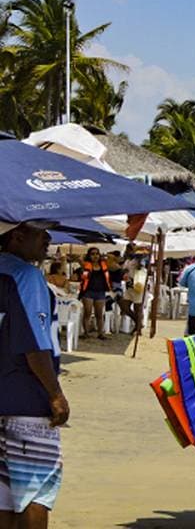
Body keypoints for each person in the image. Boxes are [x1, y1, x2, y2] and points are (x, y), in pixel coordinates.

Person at [0, 222, 69, 529]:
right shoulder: (26, 276)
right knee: (34, 492)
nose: (48, 239)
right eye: (41, 233)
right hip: (27, 402)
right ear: (17, 236)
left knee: (2, 497)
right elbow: (35, 346)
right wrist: (55, 395)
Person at [78, 247, 111, 340]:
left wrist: (105, 256)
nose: (95, 256)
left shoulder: (104, 264)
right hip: (88, 291)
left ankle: (101, 333)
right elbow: (79, 259)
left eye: (97, 253)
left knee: (99, 314)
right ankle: (86, 333)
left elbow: (112, 259)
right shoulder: (86, 265)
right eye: (92, 254)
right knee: (87, 313)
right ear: (89, 255)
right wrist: (84, 256)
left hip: (100, 292)